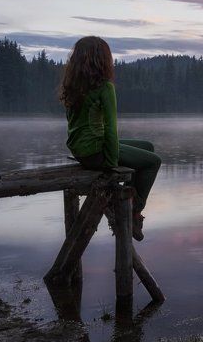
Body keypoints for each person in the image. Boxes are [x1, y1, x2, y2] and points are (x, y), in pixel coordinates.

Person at [59, 36, 160, 241]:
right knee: (153, 162)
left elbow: (75, 124)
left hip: (80, 151)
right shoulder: (105, 87)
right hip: (96, 153)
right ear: (102, 60)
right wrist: (113, 165)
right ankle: (134, 209)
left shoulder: (73, 85)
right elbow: (111, 130)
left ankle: (131, 199)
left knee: (147, 147)